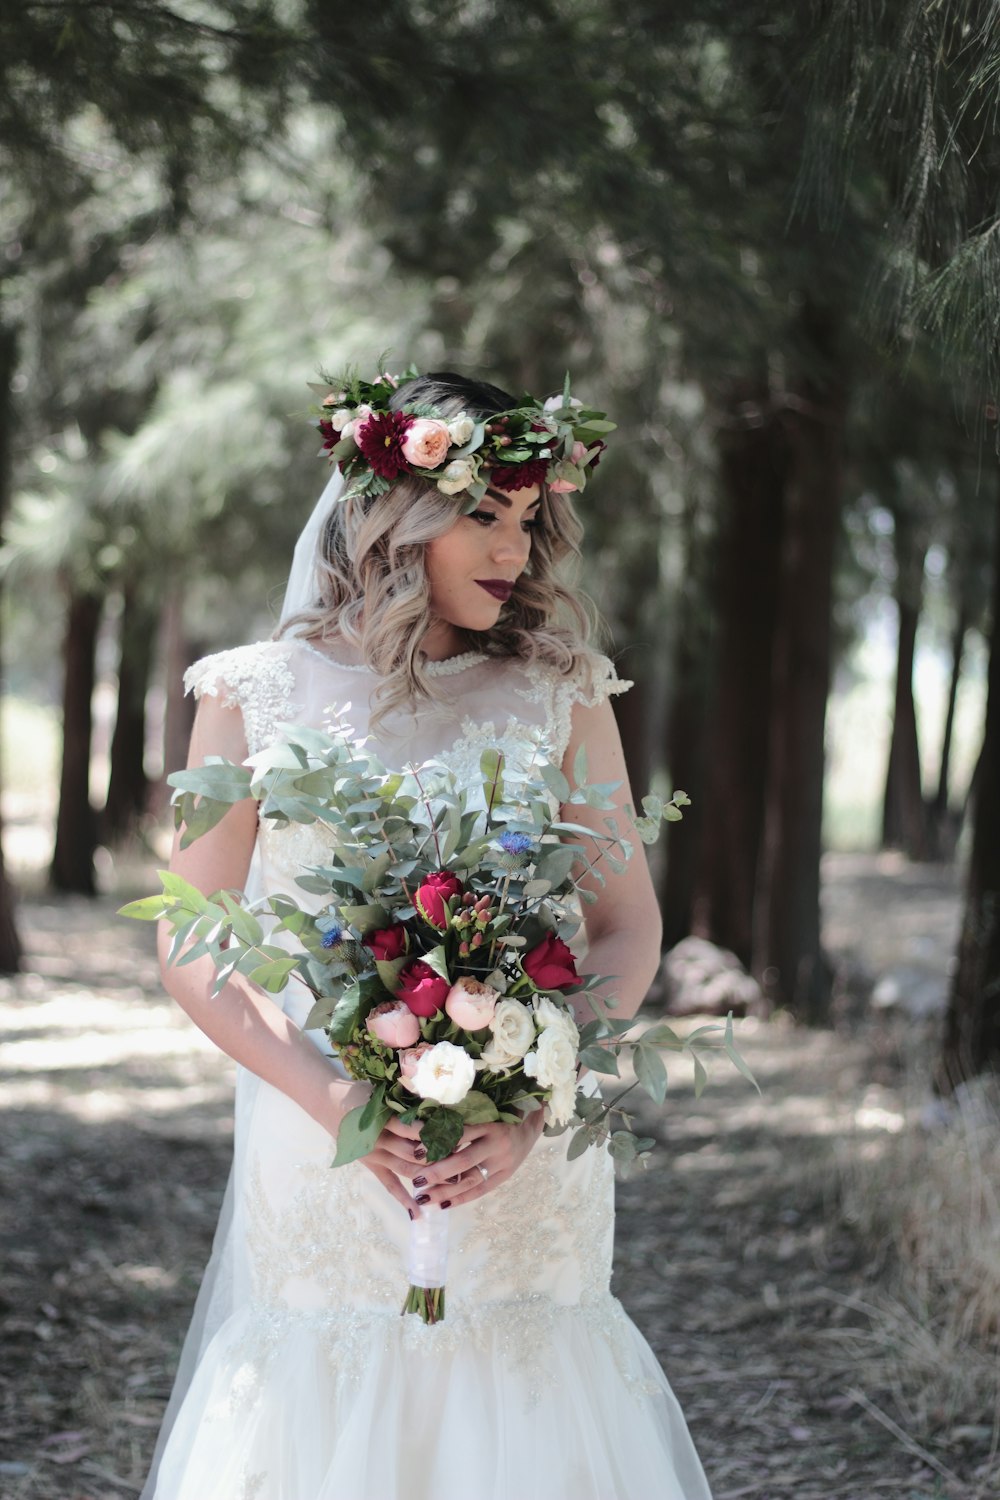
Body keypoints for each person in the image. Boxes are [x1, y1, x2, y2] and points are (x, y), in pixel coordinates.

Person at [141, 368, 712, 1499]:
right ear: (394, 515)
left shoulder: (561, 690)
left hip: (520, 1164)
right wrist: (334, 1097)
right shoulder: (250, 693)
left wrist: (535, 1101)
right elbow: (195, 941)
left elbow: (623, 923)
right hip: (325, 1141)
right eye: (484, 514)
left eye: (530, 518)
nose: (515, 549)